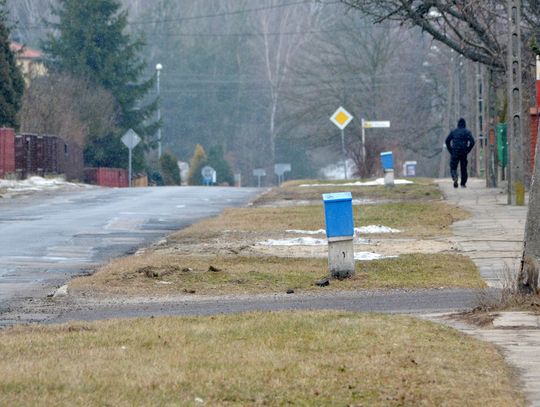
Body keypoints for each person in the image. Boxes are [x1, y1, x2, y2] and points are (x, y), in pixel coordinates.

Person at [445, 118, 475, 188]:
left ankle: (455, 177)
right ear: (465, 124)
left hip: (455, 151)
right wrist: (468, 150)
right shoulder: (467, 132)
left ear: (458, 124)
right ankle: (463, 183)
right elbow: (472, 142)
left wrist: (451, 150)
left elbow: (447, 141)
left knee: (453, 167)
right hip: (463, 151)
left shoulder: (454, 132)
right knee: (463, 168)